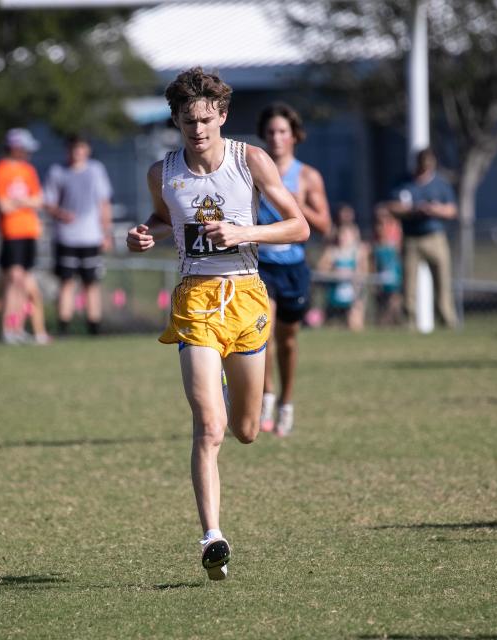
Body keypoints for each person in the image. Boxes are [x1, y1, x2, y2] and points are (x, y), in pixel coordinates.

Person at [126, 67, 309, 580]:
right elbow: (162, 219)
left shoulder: (250, 161)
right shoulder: (163, 172)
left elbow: (300, 225)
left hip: (247, 296)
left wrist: (241, 230)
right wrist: (146, 235)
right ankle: (213, 537)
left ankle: (229, 393)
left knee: (246, 431)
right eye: (188, 123)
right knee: (209, 427)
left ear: (223, 116)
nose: (199, 131)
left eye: (206, 120)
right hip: (195, 300)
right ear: (176, 122)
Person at [254, 103, 331, 437]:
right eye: (270, 132)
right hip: (260, 264)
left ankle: (286, 402)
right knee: (264, 333)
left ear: (294, 136)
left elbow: (324, 224)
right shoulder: (253, 169)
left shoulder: (307, 176)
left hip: (294, 267)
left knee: (287, 340)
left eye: (282, 131)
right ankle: (266, 396)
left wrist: (294, 203)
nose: (276, 138)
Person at [44, 135, 113, 336]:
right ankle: (64, 327)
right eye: (73, 148)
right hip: (66, 236)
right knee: (66, 283)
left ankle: (94, 327)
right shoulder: (58, 171)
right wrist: (60, 214)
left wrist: (106, 232)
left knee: (91, 282)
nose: (77, 152)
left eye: (81, 147)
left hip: (91, 236)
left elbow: (104, 203)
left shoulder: (95, 170)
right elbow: (48, 202)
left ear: (87, 150)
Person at [383, 148, 458, 329]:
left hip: (435, 237)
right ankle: (409, 322)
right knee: (408, 285)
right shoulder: (404, 182)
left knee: (443, 282)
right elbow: (390, 206)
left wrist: (435, 210)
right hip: (411, 239)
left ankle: (447, 321)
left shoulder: (440, 184)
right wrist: (414, 209)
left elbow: (452, 210)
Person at [0, 128, 50, 345]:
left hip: (29, 231)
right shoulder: (1, 169)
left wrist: (19, 201)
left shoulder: (28, 170)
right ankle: (9, 328)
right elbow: (3, 206)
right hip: (11, 232)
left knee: (23, 282)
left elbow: (38, 200)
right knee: (13, 279)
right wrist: (25, 201)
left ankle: (17, 328)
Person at [316, 204, 367, 331]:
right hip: (334, 292)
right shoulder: (332, 251)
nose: (344, 238)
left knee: (355, 321)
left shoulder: (359, 252)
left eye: (347, 236)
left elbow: (364, 271)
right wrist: (334, 272)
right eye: (342, 235)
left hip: (353, 291)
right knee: (329, 324)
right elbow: (321, 268)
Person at [372, 210, 404, 326]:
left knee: (394, 301)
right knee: (382, 302)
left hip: (394, 274)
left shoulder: (396, 230)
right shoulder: (377, 239)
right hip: (382, 275)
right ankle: (384, 323)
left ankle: (394, 322)